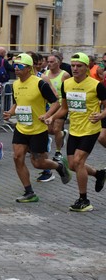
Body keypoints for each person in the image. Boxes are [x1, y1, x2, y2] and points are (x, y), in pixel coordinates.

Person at [3, 53, 71, 203]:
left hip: (38, 129)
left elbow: (56, 103)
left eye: (19, 66)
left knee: (38, 163)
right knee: (17, 157)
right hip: (21, 128)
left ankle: (59, 166)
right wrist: (10, 112)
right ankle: (29, 192)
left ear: (28, 68)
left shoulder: (40, 83)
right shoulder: (15, 84)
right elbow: (17, 103)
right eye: (15, 65)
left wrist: (47, 115)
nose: (16, 69)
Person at [45, 52, 106, 212]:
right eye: (73, 65)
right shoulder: (67, 84)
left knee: (78, 161)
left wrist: (101, 115)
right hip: (75, 129)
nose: (75, 68)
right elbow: (64, 108)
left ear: (87, 67)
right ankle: (98, 174)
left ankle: (84, 199)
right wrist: (51, 117)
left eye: (79, 66)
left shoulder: (96, 85)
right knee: (72, 165)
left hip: (90, 129)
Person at [36, 53, 71, 182]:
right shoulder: (45, 75)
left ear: (58, 63)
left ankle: (57, 151)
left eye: (52, 62)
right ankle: (62, 134)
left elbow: (67, 90)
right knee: (50, 130)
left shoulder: (64, 75)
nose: (49, 64)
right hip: (49, 106)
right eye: (48, 62)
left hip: (61, 105)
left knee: (56, 129)